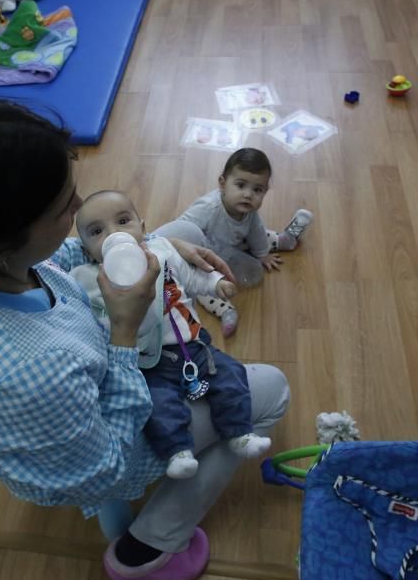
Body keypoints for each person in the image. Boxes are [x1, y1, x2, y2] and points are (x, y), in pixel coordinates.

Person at [0, 97, 289, 580]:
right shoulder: (26, 369)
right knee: (269, 390)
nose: (79, 210)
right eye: (67, 209)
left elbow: (53, 256)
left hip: (62, 412)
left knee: (182, 237)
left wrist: (153, 247)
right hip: (100, 453)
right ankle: (150, 543)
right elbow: (103, 468)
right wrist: (125, 333)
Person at [70, 190, 272, 480]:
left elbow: (190, 276)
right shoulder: (87, 278)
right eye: (97, 231)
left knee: (231, 374)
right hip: (149, 362)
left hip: (193, 346)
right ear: (87, 249)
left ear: (142, 227)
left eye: (123, 221)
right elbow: (86, 315)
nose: (114, 234)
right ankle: (177, 451)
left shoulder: (162, 250)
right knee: (157, 404)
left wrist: (215, 285)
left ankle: (239, 432)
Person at [172, 147, 313, 336]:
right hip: (203, 256)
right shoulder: (207, 209)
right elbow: (181, 230)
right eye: (240, 185)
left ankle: (285, 240)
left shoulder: (249, 210)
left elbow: (255, 231)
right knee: (203, 286)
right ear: (223, 183)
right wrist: (190, 258)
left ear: (265, 191)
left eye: (257, 190)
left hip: (234, 243)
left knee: (261, 235)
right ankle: (226, 311)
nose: (248, 195)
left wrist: (262, 255)